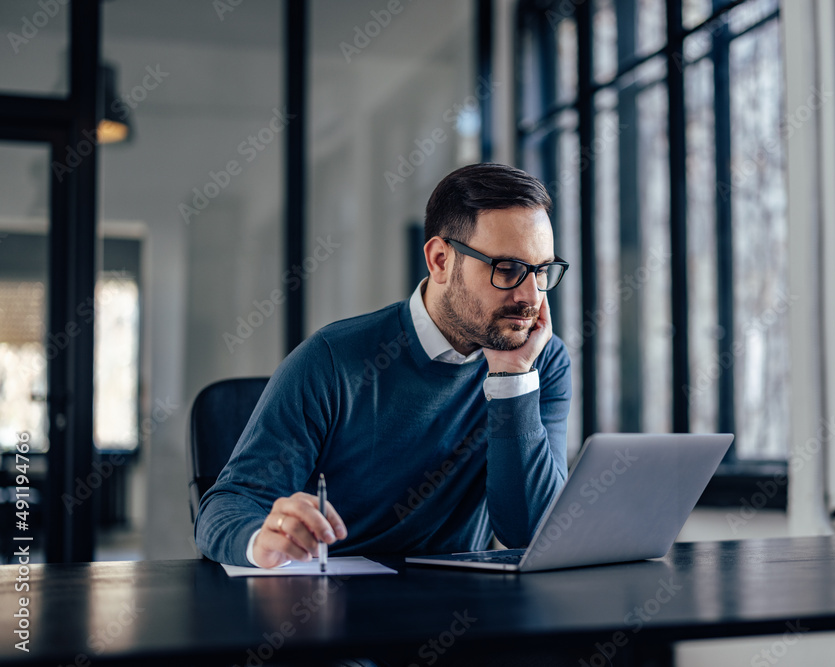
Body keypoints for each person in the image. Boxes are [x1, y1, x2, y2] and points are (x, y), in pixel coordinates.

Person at [194, 162, 572, 569]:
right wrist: (262, 539)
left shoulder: (538, 361)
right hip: (336, 609)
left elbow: (532, 533)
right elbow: (227, 504)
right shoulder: (332, 360)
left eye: (541, 271)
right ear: (441, 260)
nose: (530, 296)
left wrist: (512, 380)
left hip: (464, 610)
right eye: (509, 269)